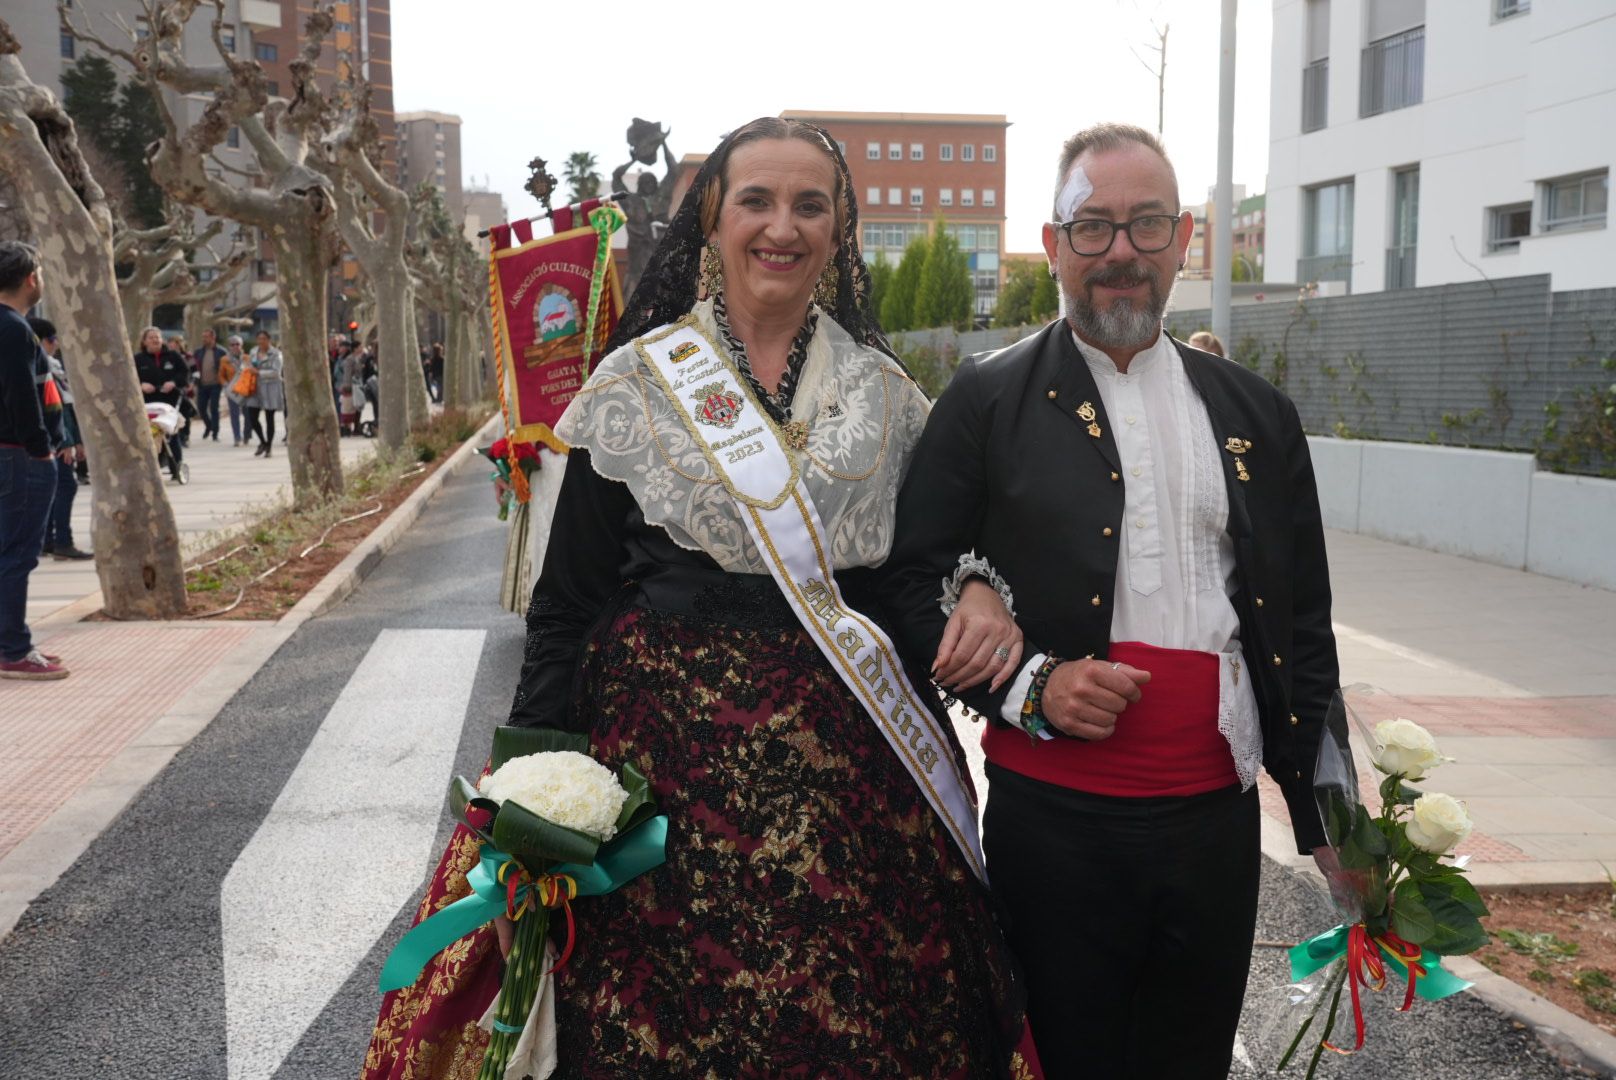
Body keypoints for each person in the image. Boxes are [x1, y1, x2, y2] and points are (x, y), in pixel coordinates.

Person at [362, 117, 1040, 1080]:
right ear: (714, 222)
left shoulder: (886, 395)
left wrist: (980, 594)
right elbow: (567, 604)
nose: (783, 226)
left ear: (839, 228)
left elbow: (905, 577)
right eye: (757, 201)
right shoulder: (635, 384)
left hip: (854, 792)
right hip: (665, 781)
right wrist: (532, 782)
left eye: (811, 204)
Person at [881, 123, 1342, 1079]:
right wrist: (1031, 684)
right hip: (1054, 823)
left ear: (1183, 243)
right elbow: (901, 583)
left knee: (1189, 1055)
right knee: (1068, 1056)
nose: (1121, 251)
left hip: (1215, 822)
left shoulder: (1256, 412)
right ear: (1052, 246)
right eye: (1092, 228)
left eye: (1146, 225)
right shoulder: (985, 399)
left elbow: (1300, 627)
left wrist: (1332, 821)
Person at [0, 242, 68, 680]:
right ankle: (13, 649)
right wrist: (41, 447)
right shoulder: (13, 329)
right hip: (21, 457)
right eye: (40, 273)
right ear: (30, 278)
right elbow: (22, 396)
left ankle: (12, 640)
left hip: (13, 455)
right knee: (17, 554)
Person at [27, 318, 91, 561]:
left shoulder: (48, 365)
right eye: (53, 340)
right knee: (66, 486)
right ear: (41, 341)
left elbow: (65, 406)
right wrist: (64, 442)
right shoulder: (44, 367)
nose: (56, 345)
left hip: (54, 439)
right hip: (53, 441)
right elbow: (54, 409)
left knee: (54, 488)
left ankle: (49, 540)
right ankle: (62, 541)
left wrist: (74, 440)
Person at [135, 326, 188, 473]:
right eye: (151, 337)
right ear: (144, 341)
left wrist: (173, 382)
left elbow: (184, 373)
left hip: (169, 402)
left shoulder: (173, 356)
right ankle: (152, 467)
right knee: (151, 435)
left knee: (172, 433)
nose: (155, 340)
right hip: (147, 403)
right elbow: (129, 379)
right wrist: (141, 385)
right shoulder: (138, 359)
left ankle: (176, 466)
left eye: (157, 337)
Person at [243, 329, 285, 457]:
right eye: (259, 339)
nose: (261, 341)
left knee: (269, 418)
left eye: (264, 339)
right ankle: (263, 441)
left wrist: (259, 373)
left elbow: (276, 372)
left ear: (269, 340)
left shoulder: (276, 354)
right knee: (252, 417)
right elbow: (248, 365)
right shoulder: (253, 351)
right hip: (254, 387)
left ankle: (269, 447)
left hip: (270, 388)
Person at [192, 327, 227, 441]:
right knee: (201, 409)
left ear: (213, 337)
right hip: (202, 385)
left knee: (214, 408)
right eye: (203, 337)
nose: (204, 339)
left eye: (206, 337)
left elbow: (225, 368)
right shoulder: (198, 352)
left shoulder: (221, 352)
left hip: (215, 385)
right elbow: (194, 368)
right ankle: (209, 425)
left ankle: (215, 433)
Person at [222, 334, 245, 445]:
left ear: (241, 345)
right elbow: (221, 376)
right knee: (234, 414)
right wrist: (227, 386)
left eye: (238, 344)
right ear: (229, 347)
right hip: (232, 391)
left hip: (245, 390)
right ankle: (237, 437)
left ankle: (247, 433)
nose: (235, 346)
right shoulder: (224, 360)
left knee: (248, 415)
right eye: (232, 344)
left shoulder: (247, 358)